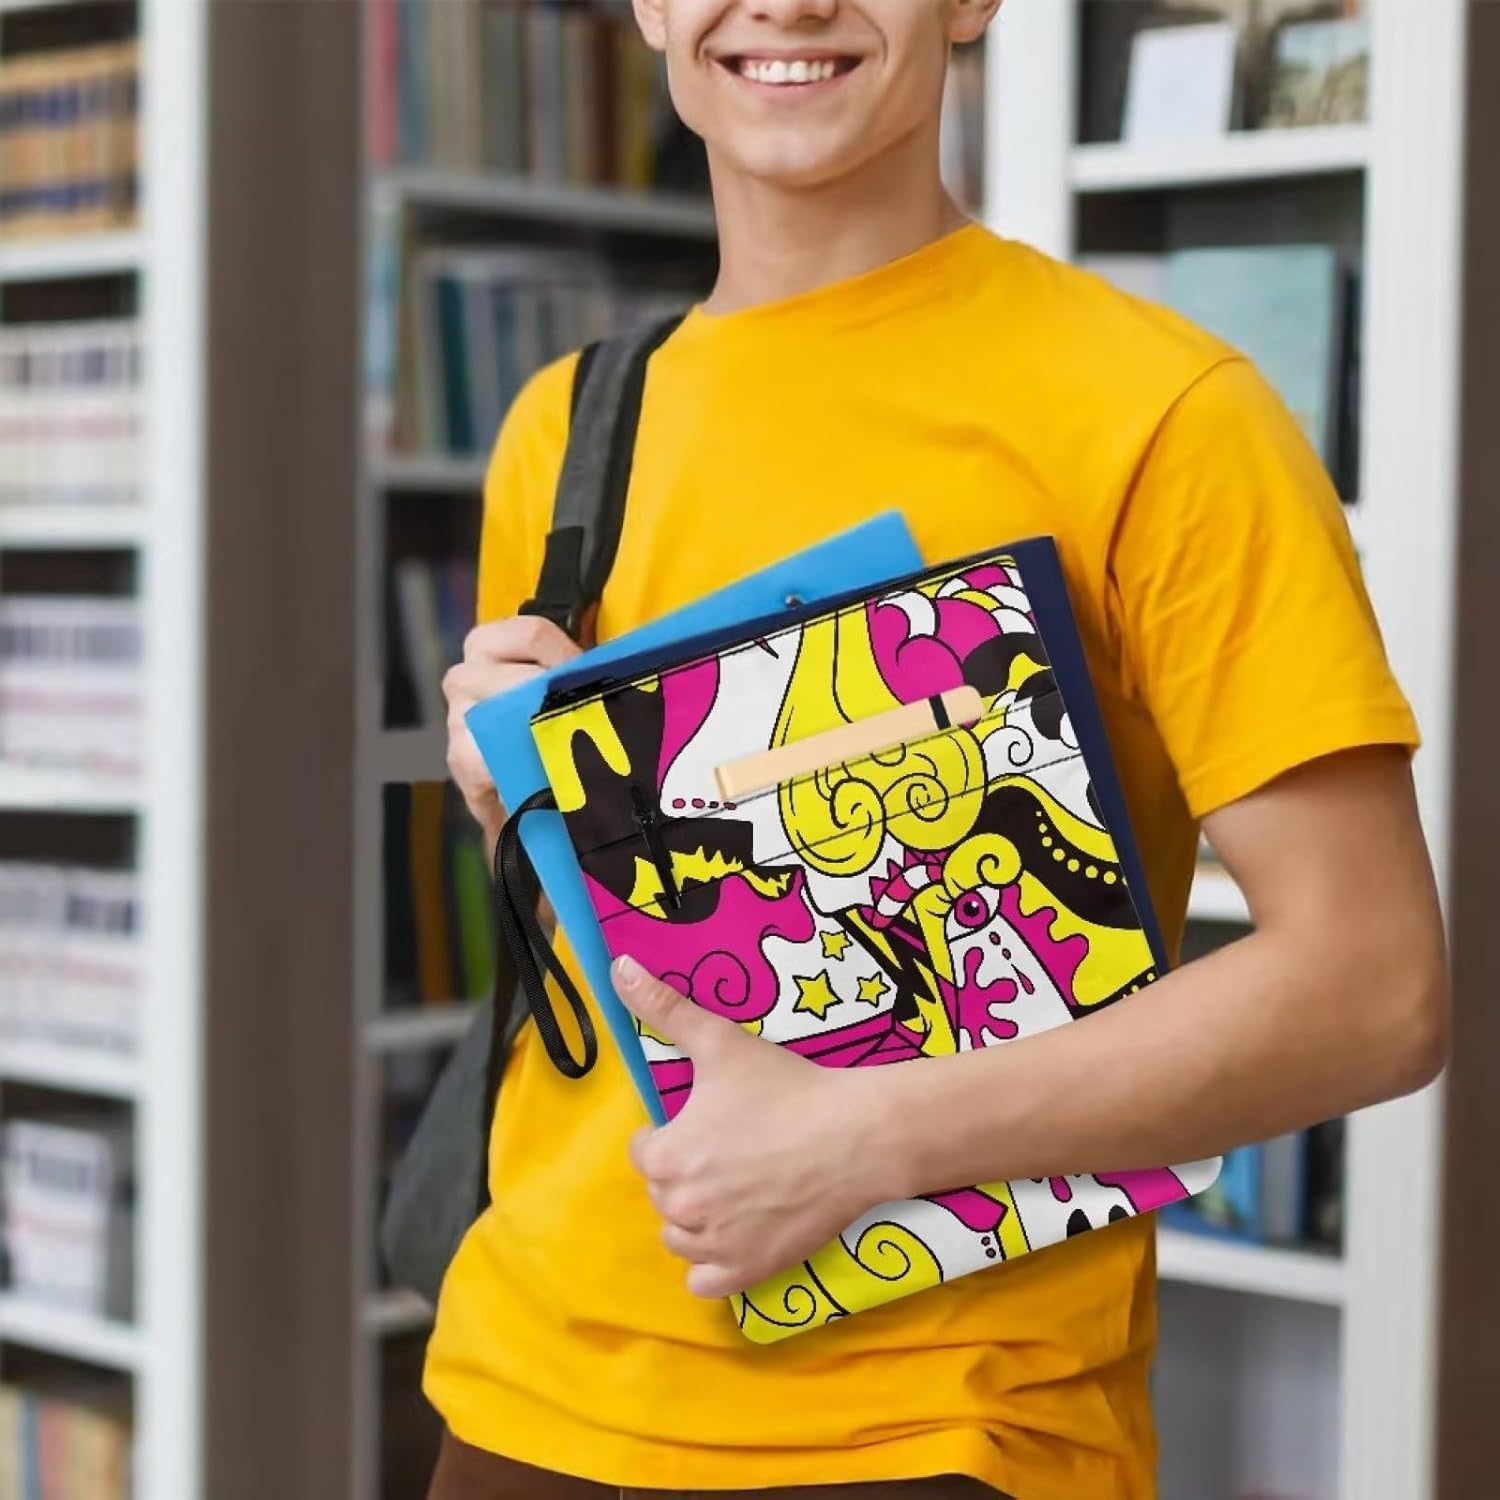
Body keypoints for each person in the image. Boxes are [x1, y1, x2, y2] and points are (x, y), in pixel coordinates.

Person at [429, 1, 1449, 1496]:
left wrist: (863, 1138)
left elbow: (1376, 987)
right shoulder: (569, 426)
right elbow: (627, 942)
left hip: (941, 1434)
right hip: (524, 1396)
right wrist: (510, 794)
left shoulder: (1167, 412)